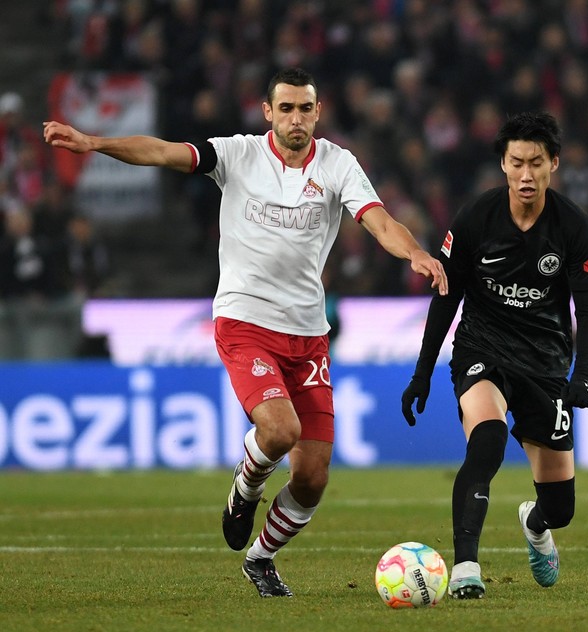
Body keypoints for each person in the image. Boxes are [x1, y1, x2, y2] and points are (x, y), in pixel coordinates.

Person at [44, 67, 447, 596]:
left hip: (308, 333)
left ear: (318, 113)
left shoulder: (338, 163)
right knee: (280, 431)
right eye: (286, 109)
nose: (296, 118)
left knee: (313, 477)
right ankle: (245, 488)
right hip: (245, 320)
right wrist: (95, 142)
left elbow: (378, 220)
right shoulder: (237, 155)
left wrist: (414, 251)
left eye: (305, 108)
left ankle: (261, 558)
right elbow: (163, 152)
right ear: (268, 113)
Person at [401, 112, 588, 598]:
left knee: (561, 509)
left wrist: (584, 375)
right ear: (503, 165)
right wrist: (422, 373)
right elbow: (446, 297)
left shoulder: (573, 226)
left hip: (546, 364)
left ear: (554, 164)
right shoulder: (476, 218)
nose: (527, 174)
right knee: (486, 438)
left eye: (537, 162)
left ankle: (535, 525)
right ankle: (466, 568)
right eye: (517, 162)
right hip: (482, 349)